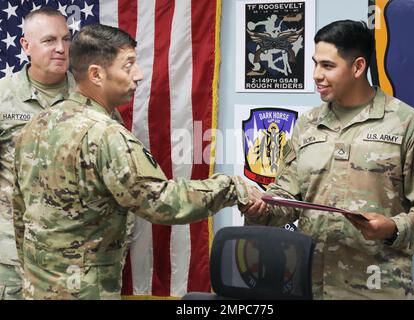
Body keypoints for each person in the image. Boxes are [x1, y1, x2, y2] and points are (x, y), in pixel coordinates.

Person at [12, 24, 260, 300]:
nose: (139, 75)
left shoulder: (35, 125)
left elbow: (20, 213)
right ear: (96, 74)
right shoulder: (105, 134)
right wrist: (230, 187)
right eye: (128, 65)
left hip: (35, 289)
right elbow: (161, 202)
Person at [243, 20, 414, 299]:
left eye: (327, 66)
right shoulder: (307, 125)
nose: (316, 74)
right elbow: (286, 196)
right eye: (315, 63)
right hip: (309, 286)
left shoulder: (406, 124)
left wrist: (393, 228)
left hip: (378, 289)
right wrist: (263, 210)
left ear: (358, 67)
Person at [0, 8, 75, 300]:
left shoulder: (91, 98)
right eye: (49, 40)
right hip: (12, 259)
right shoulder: (3, 97)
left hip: (74, 261)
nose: (60, 48)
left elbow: (117, 179)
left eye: (66, 39)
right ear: (25, 45)